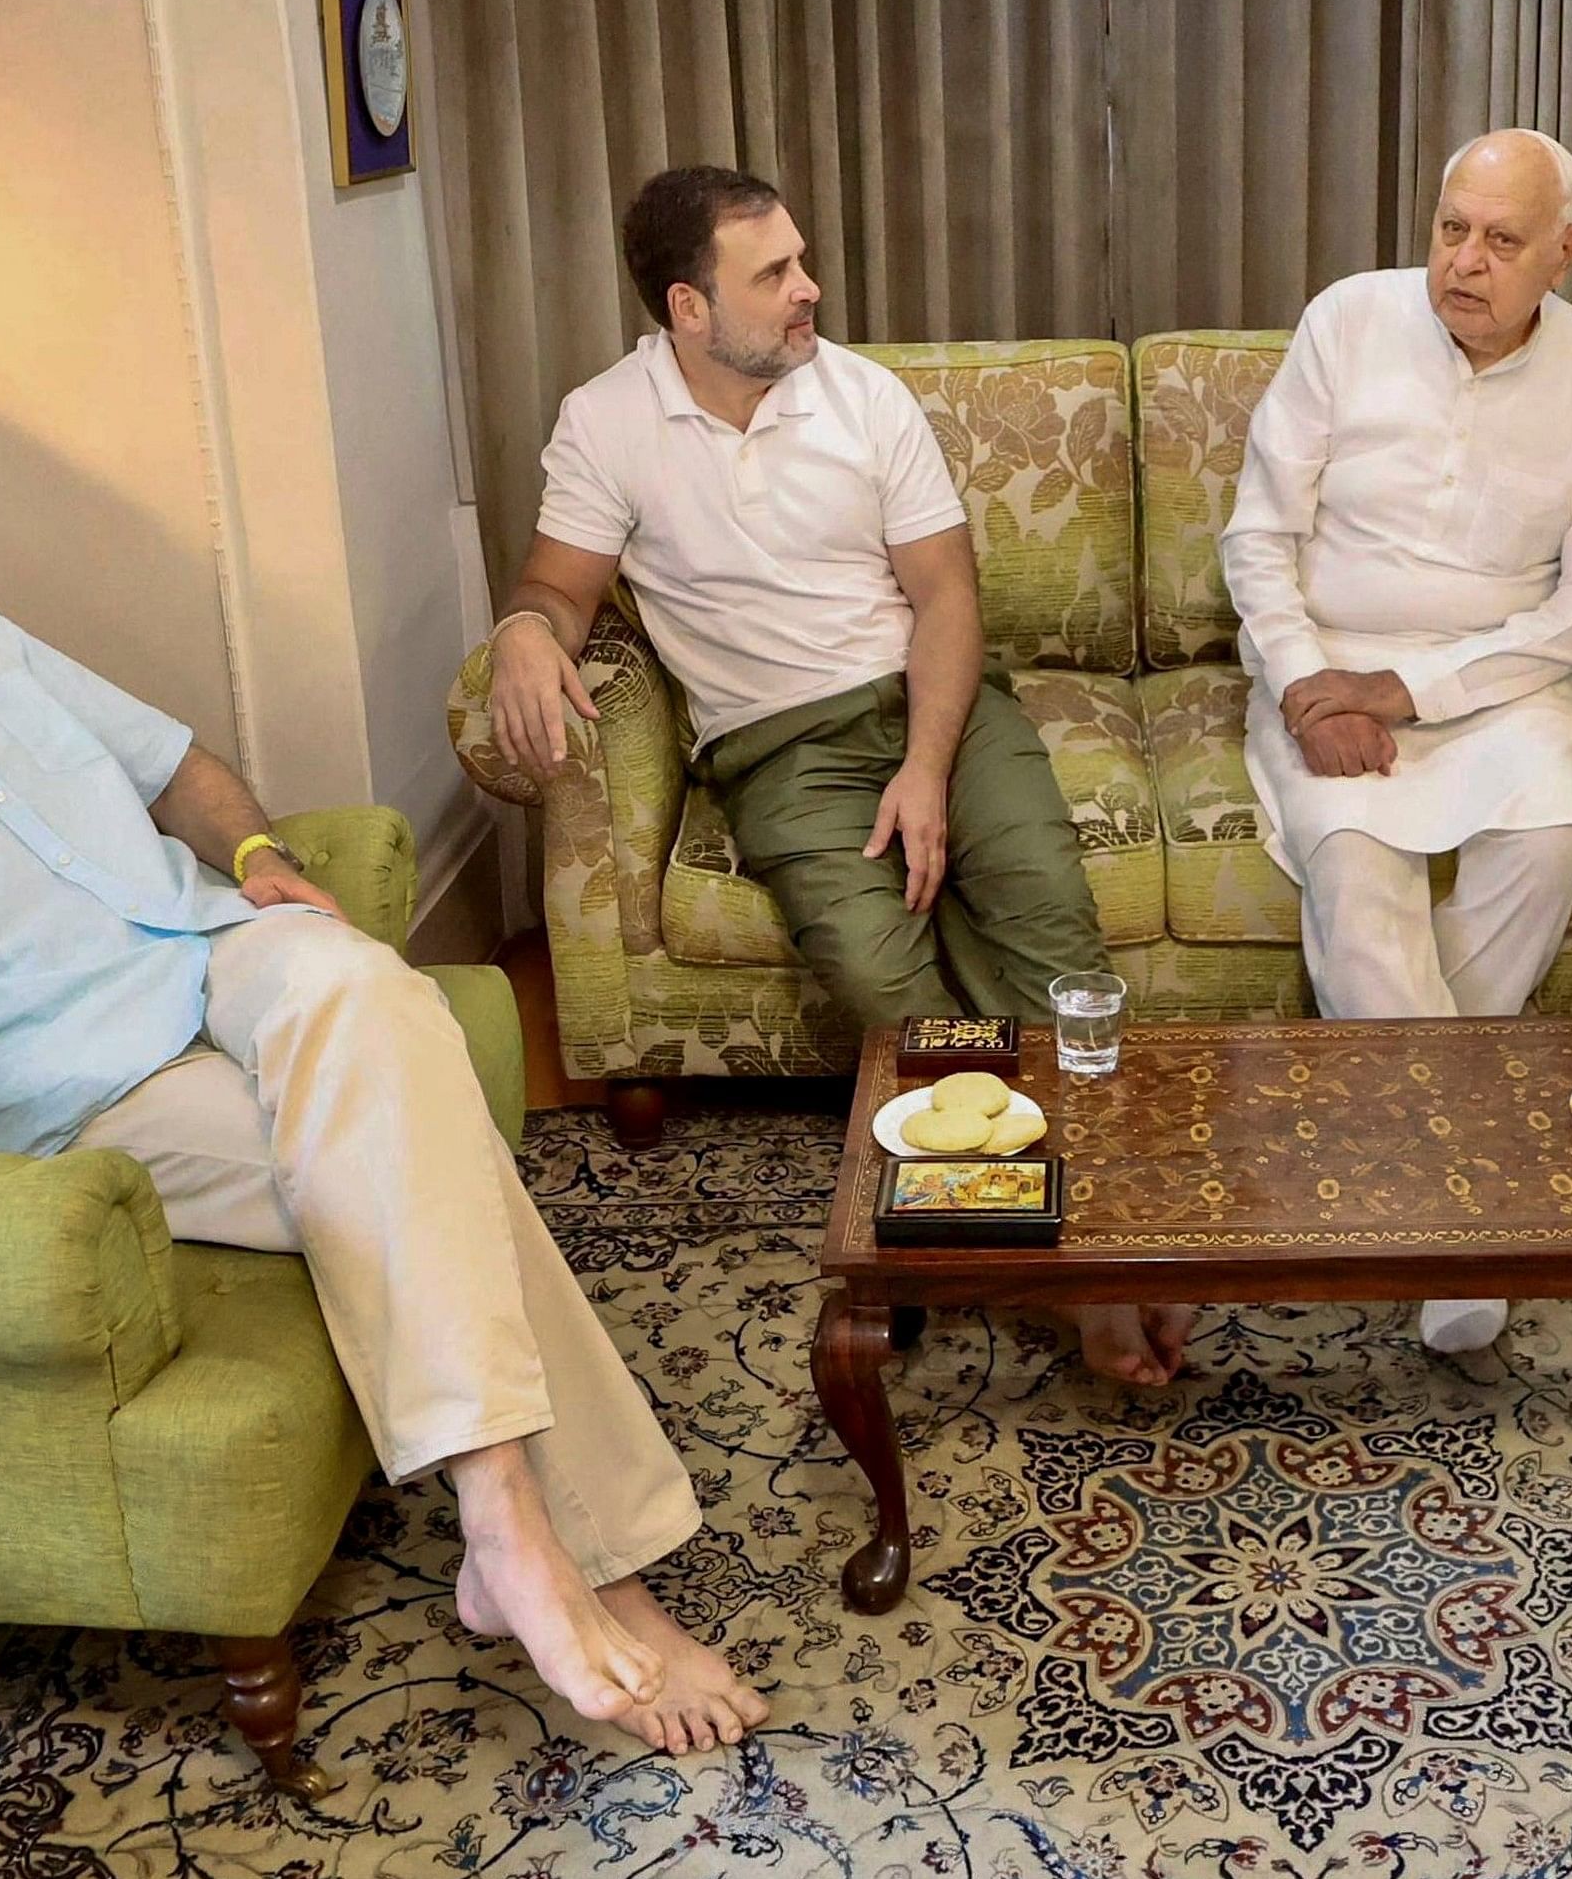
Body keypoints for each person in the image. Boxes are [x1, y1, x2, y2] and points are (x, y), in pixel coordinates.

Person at [0, 379, 766, 1758]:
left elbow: (178, 765)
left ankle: (505, 1528)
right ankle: (561, 1549)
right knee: (416, 1163)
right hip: (77, 1089)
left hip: (214, 953)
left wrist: (263, 863)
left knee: (352, 975)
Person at [482, 166, 1187, 1387]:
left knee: (1055, 951)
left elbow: (948, 598)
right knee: (886, 983)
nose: (810, 289)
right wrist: (523, 631)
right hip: (778, 747)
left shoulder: (864, 398)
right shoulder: (605, 421)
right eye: (774, 274)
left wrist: (925, 765)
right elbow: (558, 585)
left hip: (935, 702)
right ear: (687, 308)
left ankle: (1100, 1255)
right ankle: (1042, 1252)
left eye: (802, 260)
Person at [1219, 130, 1572, 1357]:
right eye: (1449, 227)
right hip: (1327, 663)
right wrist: (1311, 684)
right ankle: (1472, 1199)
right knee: (1359, 873)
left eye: (1500, 241)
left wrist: (1412, 687)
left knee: (1556, 838)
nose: (1462, 261)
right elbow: (1257, 539)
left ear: (1565, 251)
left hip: (1504, 680)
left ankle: (1413, 1161)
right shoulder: (1347, 322)